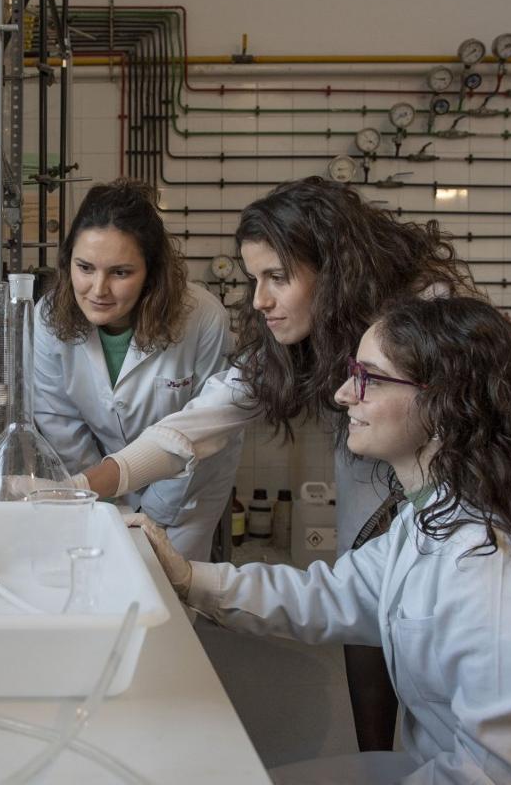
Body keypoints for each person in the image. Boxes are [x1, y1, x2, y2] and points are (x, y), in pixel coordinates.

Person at [130, 296, 511, 783]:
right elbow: (331, 594)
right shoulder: (431, 515)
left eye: (368, 378)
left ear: (447, 405)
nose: (341, 394)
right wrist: (189, 577)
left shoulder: (491, 569)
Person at [81, 176, 475, 750]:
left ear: (334, 273)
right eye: (254, 279)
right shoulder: (303, 332)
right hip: (381, 467)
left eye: (276, 278)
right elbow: (202, 419)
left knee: (437, 629)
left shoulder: (427, 318)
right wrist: (82, 484)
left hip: (454, 482)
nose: (259, 299)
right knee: (367, 608)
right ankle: (380, 760)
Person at [33, 179, 241, 561]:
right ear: (67, 262)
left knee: (170, 591)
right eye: (85, 267)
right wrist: (97, 492)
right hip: (96, 480)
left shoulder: (203, 318)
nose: (98, 289)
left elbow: (200, 432)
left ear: (151, 272)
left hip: (187, 488)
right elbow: (57, 418)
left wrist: (152, 511)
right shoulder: (48, 317)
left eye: (121, 273)